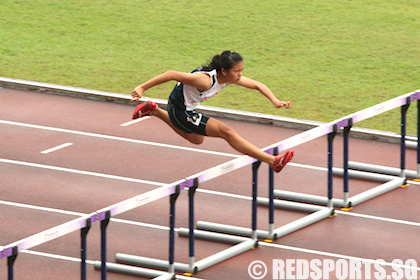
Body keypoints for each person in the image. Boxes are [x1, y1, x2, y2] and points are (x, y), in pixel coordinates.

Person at [131, 50, 293, 172]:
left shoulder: (228, 77)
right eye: (237, 71)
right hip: (181, 110)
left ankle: (154, 110)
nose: (240, 74)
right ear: (224, 71)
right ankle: (273, 161)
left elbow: (257, 85)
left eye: (241, 70)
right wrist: (142, 87)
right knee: (226, 131)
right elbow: (172, 74)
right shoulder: (205, 80)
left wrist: (275, 100)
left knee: (196, 140)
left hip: (186, 108)